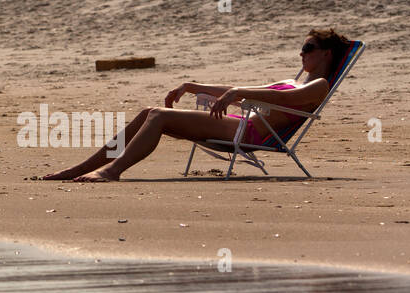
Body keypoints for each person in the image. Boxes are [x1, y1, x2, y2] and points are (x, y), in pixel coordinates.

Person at [38, 28, 351, 182]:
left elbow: (282, 100)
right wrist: (192, 86)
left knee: (159, 116)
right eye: (302, 48)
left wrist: (239, 93)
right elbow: (237, 91)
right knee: (150, 111)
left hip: (250, 133)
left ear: (326, 53)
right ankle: (83, 168)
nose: (302, 54)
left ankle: (112, 171)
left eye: (308, 48)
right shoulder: (295, 79)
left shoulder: (318, 86)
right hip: (239, 124)